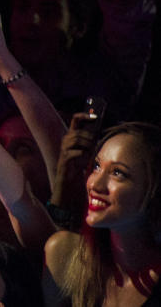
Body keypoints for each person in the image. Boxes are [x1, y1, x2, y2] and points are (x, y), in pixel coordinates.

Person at [42, 122, 161, 307]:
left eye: (117, 173)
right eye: (97, 166)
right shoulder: (65, 257)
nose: (94, 184)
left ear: (153, 190)